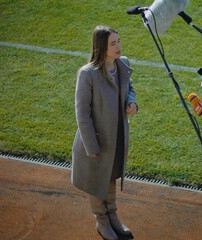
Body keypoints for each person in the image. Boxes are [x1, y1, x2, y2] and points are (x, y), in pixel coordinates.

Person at [71, 25, 137, 240]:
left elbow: (130, 88)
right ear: (101, 47)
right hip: (96, 141)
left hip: (116, 136)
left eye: (118, 41)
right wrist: (91, 146)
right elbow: (82, 113)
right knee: (97, 180)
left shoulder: (123, 64)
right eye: (113, 43)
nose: (118, 47)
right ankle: (101, 221)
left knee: (111, 178)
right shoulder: (88, 73)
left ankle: (113, 216)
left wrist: (132, 102)